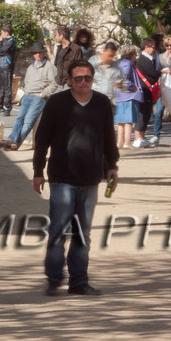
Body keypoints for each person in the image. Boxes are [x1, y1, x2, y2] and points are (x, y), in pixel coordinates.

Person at [30, 59, 118, 296]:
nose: (83, 82)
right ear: (69, 80)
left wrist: (112, 167)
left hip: (90, 178)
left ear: (92, 79)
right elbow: (42, 140)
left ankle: (79, 281)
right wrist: (38, 172)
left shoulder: (101, 103)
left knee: (82, 234)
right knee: (58, 232)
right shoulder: (57, 103)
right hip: (62, 177)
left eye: (87, 78)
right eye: (78, 78)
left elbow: (109, 137)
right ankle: (53, 279)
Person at [1, 46, 57, 150]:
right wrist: (26, 90)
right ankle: (12, 140)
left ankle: (15, 143)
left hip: (39, 97)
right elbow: (26, 80)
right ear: (33, 54)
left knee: (28, 122)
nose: (38, 54)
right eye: (35, 53)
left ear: (44, 53)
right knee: (19, 119)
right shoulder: (31, 67)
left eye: (40, 52)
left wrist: (43, 94)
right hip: (28, 95)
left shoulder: (49, 67)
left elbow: (54, 84)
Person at [111, 44, 142, 150]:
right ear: (131, 54)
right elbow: (124, 78)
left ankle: (119, 142)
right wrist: (133, 87)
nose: (136, 56)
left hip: (120, 95)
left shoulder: (120, 63)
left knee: (121, 121)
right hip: (128, 95)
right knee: (128, 120)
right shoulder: (128, 64)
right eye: (135, 54)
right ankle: (127, 142)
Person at [132, 35, 161, 148]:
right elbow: (152, 73)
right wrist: (162, 72)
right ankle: (137, 138)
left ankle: (142, 137)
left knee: (147, 114)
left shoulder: (150, 59)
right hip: (144, 89)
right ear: (146, 47)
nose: (154, 49)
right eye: (152, 47)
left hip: (148, 90)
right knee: (142, 114)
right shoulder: (143, 59)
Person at [0, 25, 18, 116]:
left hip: (7, 67)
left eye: (2, 32)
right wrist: (0, 43)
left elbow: (1, 51)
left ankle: (7, 108)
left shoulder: (11, 41)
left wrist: (0, 43)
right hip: (0, 67)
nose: (1, 34)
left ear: (6, 32)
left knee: (7, 88)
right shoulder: (4, 41)